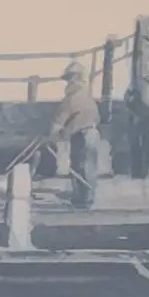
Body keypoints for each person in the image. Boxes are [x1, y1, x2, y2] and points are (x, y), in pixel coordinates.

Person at [48, 60, 100, 209]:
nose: (69, 82)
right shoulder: (88, 97)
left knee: (79, 166)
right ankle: (88, 197)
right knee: (88, 167)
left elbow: (59, 119)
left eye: (71, 78)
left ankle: (82, 199)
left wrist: (53, 135)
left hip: (81, 135)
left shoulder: (72, 98)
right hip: (92, 133)